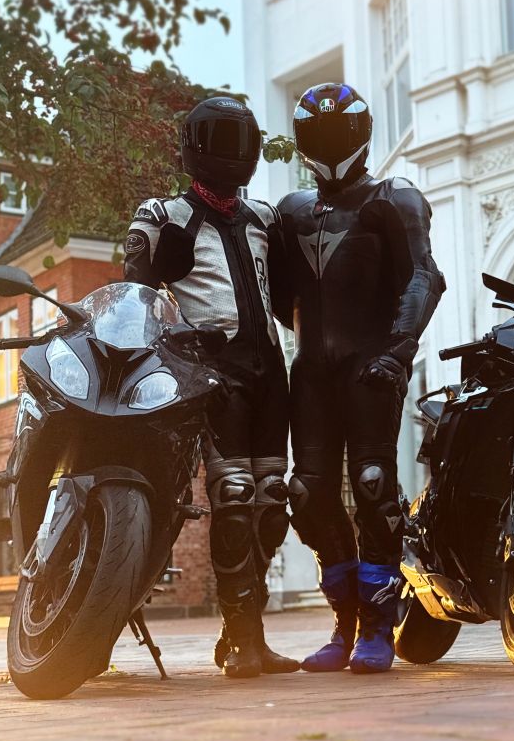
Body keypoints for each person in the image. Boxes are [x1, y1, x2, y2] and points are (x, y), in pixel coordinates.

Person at [123, 96, 299, 679]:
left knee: (273, 504)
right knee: (235, 498)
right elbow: (136, 296)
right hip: (216, 374)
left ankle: (242, 632)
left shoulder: (265, 219)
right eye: (223, 138)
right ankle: (246, 640)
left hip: (271, 371)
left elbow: (293, 300)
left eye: (239, 139)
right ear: (196, 147)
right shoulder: (163, 214)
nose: (234, 151)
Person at [277, 82, 445, 674]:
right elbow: (281, 298)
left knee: (373, 484)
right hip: (314, 375)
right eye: (315, 135)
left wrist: (397, 352)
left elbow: (425, 278)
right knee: (307, 493)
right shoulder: (291, 212)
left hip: (373, 368)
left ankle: (377, 625)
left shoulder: (395, 198)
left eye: (336, 132)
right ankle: (343, 627)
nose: (326, 145)